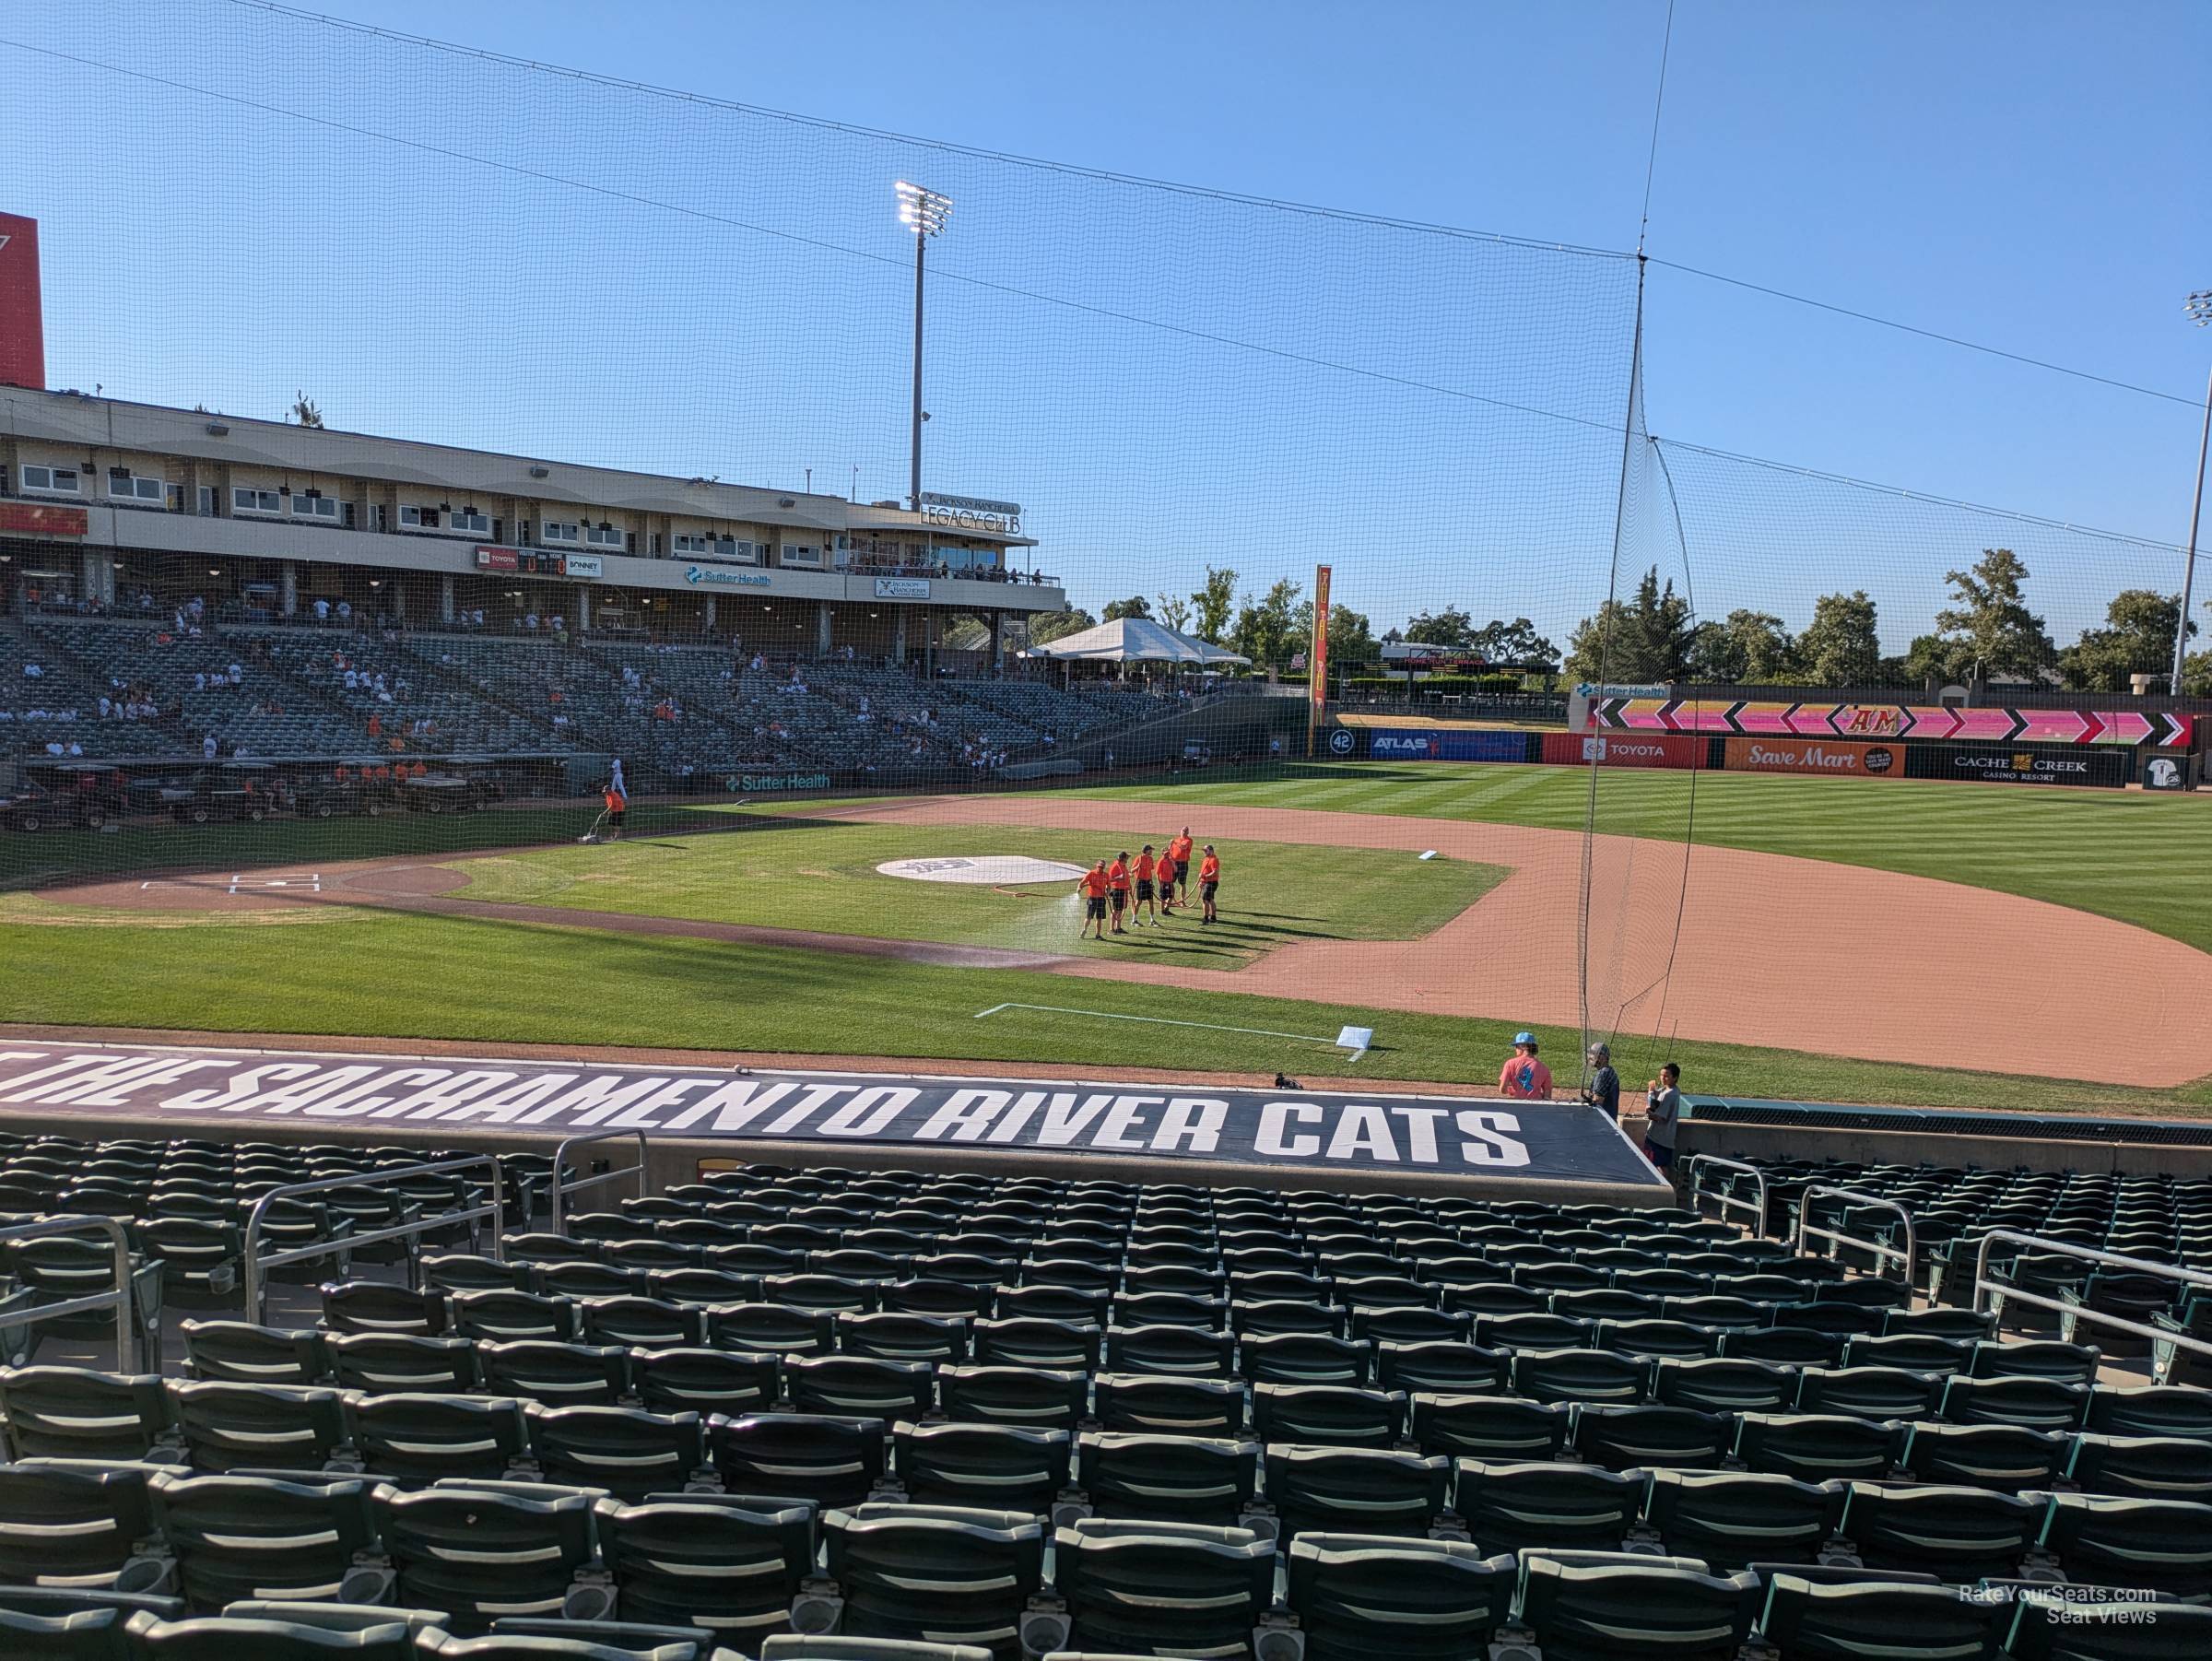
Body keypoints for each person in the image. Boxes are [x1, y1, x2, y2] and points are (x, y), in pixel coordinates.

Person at [1644, 1062, 1682, 1176]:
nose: (1662, 1078)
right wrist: (1652, 1091)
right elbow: (1658, 1100)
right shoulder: (1673, 1090)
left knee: (1656, 1167)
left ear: (1675, 1078)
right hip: (1665, 1138)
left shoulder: (1669, 1094)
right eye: (1661, 1075)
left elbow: (1659, 1118)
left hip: (1658, 1138)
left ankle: (1662, 1189)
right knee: (1663, 1166)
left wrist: (1648, 1112)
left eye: (1666, 1076)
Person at [1497, 1032, 1553, 1100]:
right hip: (1537, 1107)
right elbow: (1548, 1096)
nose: (1515, 1049)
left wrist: (1512, 1091)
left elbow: (1502, 1089)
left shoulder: (1510, 1063)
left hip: (1518, 1105)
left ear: (1522, 1046)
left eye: (1516, 1046)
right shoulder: (1544, 1068)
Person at [1582, 1043, 1620, 1121]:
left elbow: (1597, 1102)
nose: (1590, 1057)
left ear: (1602, 1057)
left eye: (1593, 1053)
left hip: (1602, 1123)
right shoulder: (1610, 1071)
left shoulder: (1603, 1073)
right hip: (1610, 1121)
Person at [1077, 859, 1111, 940]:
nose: (1100, 869)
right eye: (1099, 867)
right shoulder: (1091, 873)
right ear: (1096, 866)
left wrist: (1107, 892)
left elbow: (1109, 886)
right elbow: (1082, 882)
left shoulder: (1106, 875)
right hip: (1092, 898)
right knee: (1089, 917)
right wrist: (1079, 888)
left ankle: (1098, 935)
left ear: (1104, 867)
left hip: (1101, 899)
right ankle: (1084, 930)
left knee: (1099, 918)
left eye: (1102, 867)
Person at [1166, 828, 1195, 908]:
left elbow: (1183, 847)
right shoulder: (1176, 839)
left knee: (1182, 883)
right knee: (1171, 881)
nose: (1184, 832)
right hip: (1174, 863)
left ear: (1188, 832)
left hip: (1183, 863)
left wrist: (1174, 842)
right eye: (1183, 830)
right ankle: (1170, 899)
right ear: (1180, 831)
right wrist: (1170, 844)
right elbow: (1169, 850)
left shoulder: (1189, 840)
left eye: (1186, 831)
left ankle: (1182, 901)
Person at [1132, 844, 1159, 925]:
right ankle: (1134, 920)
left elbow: (1150, 871)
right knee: (1139, 901)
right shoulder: (1139, 858)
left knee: (1151, 901)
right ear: (1146, 850)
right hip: (1141, 882)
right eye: (1150, 850)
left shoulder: (1150, 859)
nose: (1151, 852)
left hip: (1148, 882)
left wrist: (1152, 883)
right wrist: (1138, 866)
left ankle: (1152, 920)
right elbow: (1132, 870)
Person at [1106, 852, 1133, 934]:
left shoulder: (1123, 866)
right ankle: (1111, 929)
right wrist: (1119, 877)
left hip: (1124, 889)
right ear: (1123, 858)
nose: (1128, 859)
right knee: (1115, 910)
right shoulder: (1115, 866)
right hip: (1117, 890)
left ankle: (1118, 928)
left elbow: (1126, 878)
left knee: (1121, 909)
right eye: (1126, 857)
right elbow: (1110, 879)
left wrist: (1129, 886)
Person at [1197, 843, 1221, 923]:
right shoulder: (1206, 859)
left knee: (1205, 900)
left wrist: (1205, 876)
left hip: (1211, 882)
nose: (1204, 852)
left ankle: (1206, 918)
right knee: (1210, 899)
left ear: (1211, 851)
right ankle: (1213, 918)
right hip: (1206, 882)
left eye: (1205, 850)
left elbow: (1215, 872)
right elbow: (1203, 871)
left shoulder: (1214, 860)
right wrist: (1201, 881)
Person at [1154, 846, 1179, 917]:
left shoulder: (1171, 860)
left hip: (1170, 881)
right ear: (1162, 853)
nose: (1167, 854)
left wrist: (1173, 862)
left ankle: (1166, 909)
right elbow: (1157, 873)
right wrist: (1160, 883)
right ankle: (1162, 911)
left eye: (1168, 853)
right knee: (1163, 898)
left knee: (1171, 896)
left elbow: (1176, 870)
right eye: (1165, 853)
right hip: (1163, 882)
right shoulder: (1161, 861)